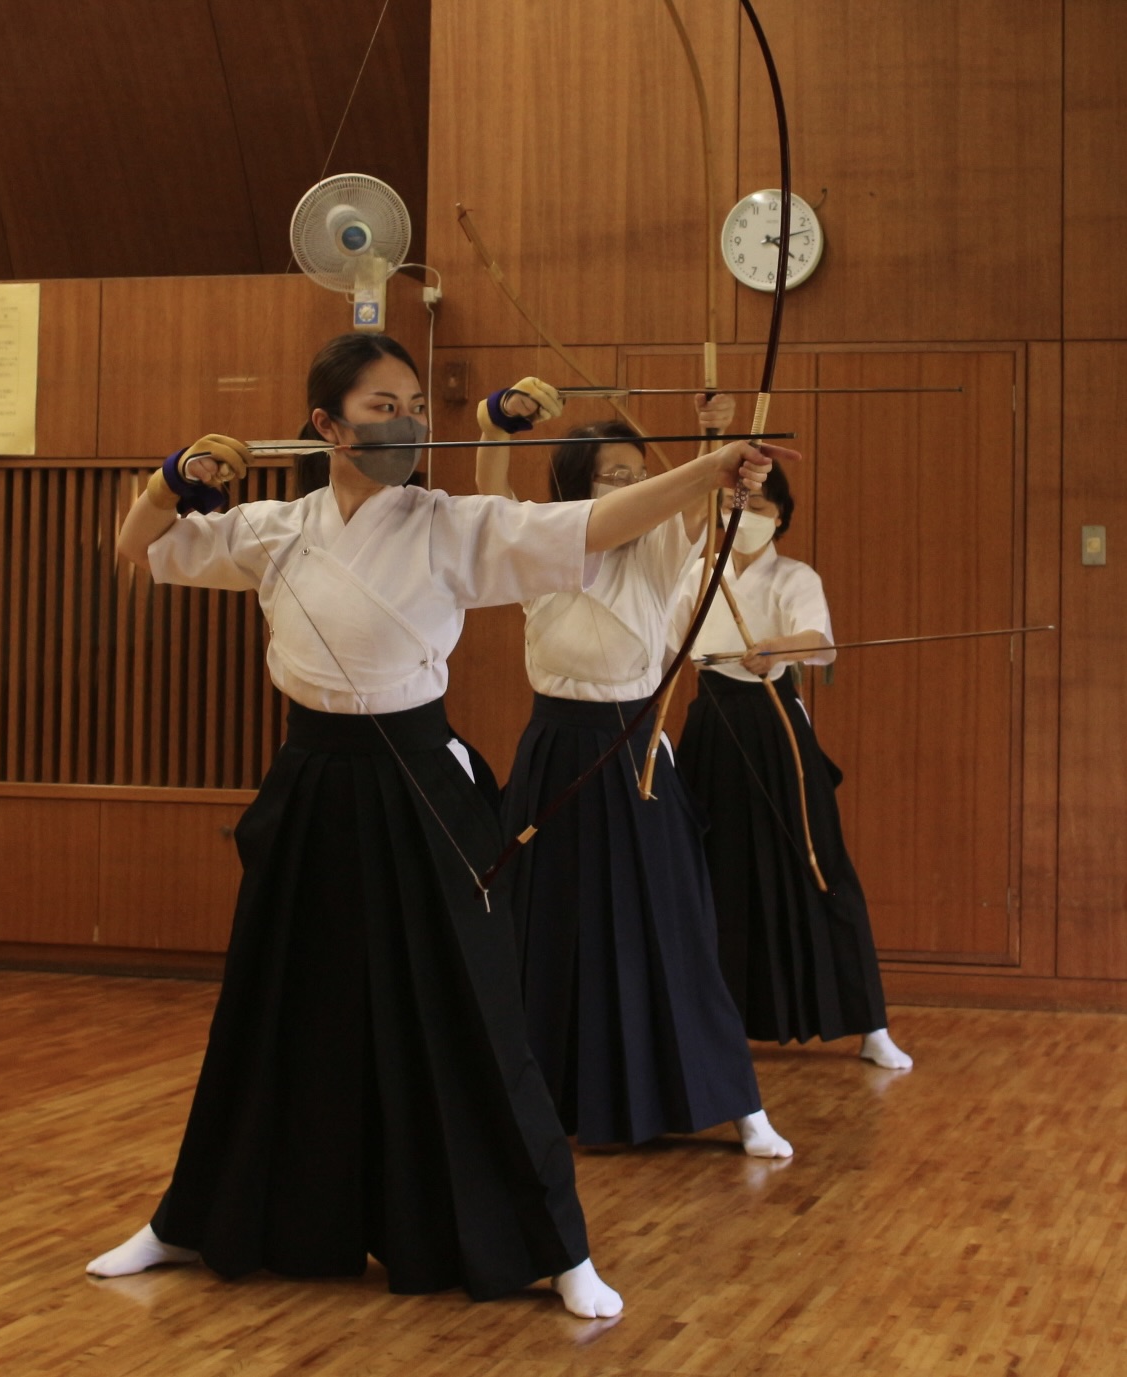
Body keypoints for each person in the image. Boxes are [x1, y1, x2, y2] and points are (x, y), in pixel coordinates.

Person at [85, 334, 774, 1317]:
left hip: (417, 779)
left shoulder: (453, 525)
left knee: (475, 1015)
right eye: (381, 406)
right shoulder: (275, 526)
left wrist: (706, 469)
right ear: (324, 426)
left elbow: (590, 525)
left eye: (414, 404)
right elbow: (138, 549)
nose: (407, 422)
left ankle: (555, 1245)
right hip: (313, 782)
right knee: (270, 1004)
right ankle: (191, 1218)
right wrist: (172, 480)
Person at [477, 388, 792, 1155]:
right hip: (555, 745)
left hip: (632, 747)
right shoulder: (543, 544)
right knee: (546, 925)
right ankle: (539, 1097)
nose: (623, 487)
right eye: (608, 476)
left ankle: (736, 1099)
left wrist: (724, 459)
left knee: (671, 923)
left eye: (632, 474)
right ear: (574, 484)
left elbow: (690, 506)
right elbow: (487, 498)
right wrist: (492, 426)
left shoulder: (656, 544)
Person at [672, 462, 912, 1070]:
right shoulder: (697, 572)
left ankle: (870, 1025)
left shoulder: (796, 576)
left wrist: (779, 648)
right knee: (711, 872)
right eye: (734, 505)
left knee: (818, 863)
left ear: (782, 518)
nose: (745, 518)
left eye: (758, 508)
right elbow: (665, 646)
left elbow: (820, 642)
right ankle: (710, 1027)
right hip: (711, 725)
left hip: (774, 722)